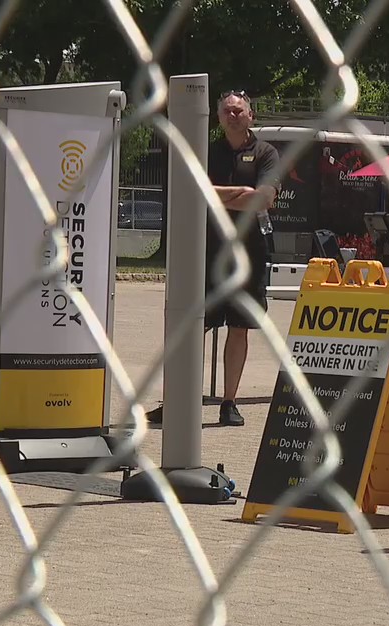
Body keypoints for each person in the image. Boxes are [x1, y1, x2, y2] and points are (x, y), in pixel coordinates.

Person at [147, 89, 280, 427]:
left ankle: (229, 402)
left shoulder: (267, 154)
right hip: (205, 252)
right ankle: (176, 401)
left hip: (249, 253)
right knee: (191, 328)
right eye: (226, 111)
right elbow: (188, 187)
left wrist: (211, 192)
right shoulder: (205, 151)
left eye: (239, 110)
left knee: (239, 328)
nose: (233, 115)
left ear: (251, 115)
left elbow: (263, 199)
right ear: (218, 118)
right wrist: (238, 196)